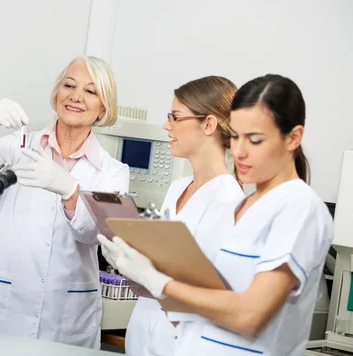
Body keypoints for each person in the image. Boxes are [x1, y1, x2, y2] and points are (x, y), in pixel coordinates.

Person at [100, 74, 334, 355]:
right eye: (235, 136)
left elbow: (249, 316)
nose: (240, 151)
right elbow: (204, 303)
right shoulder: (246, 207)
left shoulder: (298, 208)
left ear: (293, 138)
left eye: (255, 139)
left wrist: (160, 282)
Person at [0, 56, 129, 348]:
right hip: (3, 305)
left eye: (90, 91)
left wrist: (70, 190)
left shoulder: (113, 172)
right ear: (56, 93)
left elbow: (98, 235)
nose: (75, 97)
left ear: (103, 108)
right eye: (69, 85)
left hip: (67, 314)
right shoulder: (18, 148)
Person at [125, 76, 244, 356]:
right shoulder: (178, 188)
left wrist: (151, 273)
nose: (167, 125)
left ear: (208, 124)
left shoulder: (228, 200)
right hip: (144, 335)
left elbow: (208, 294)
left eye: (175, 117)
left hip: (182, 344)